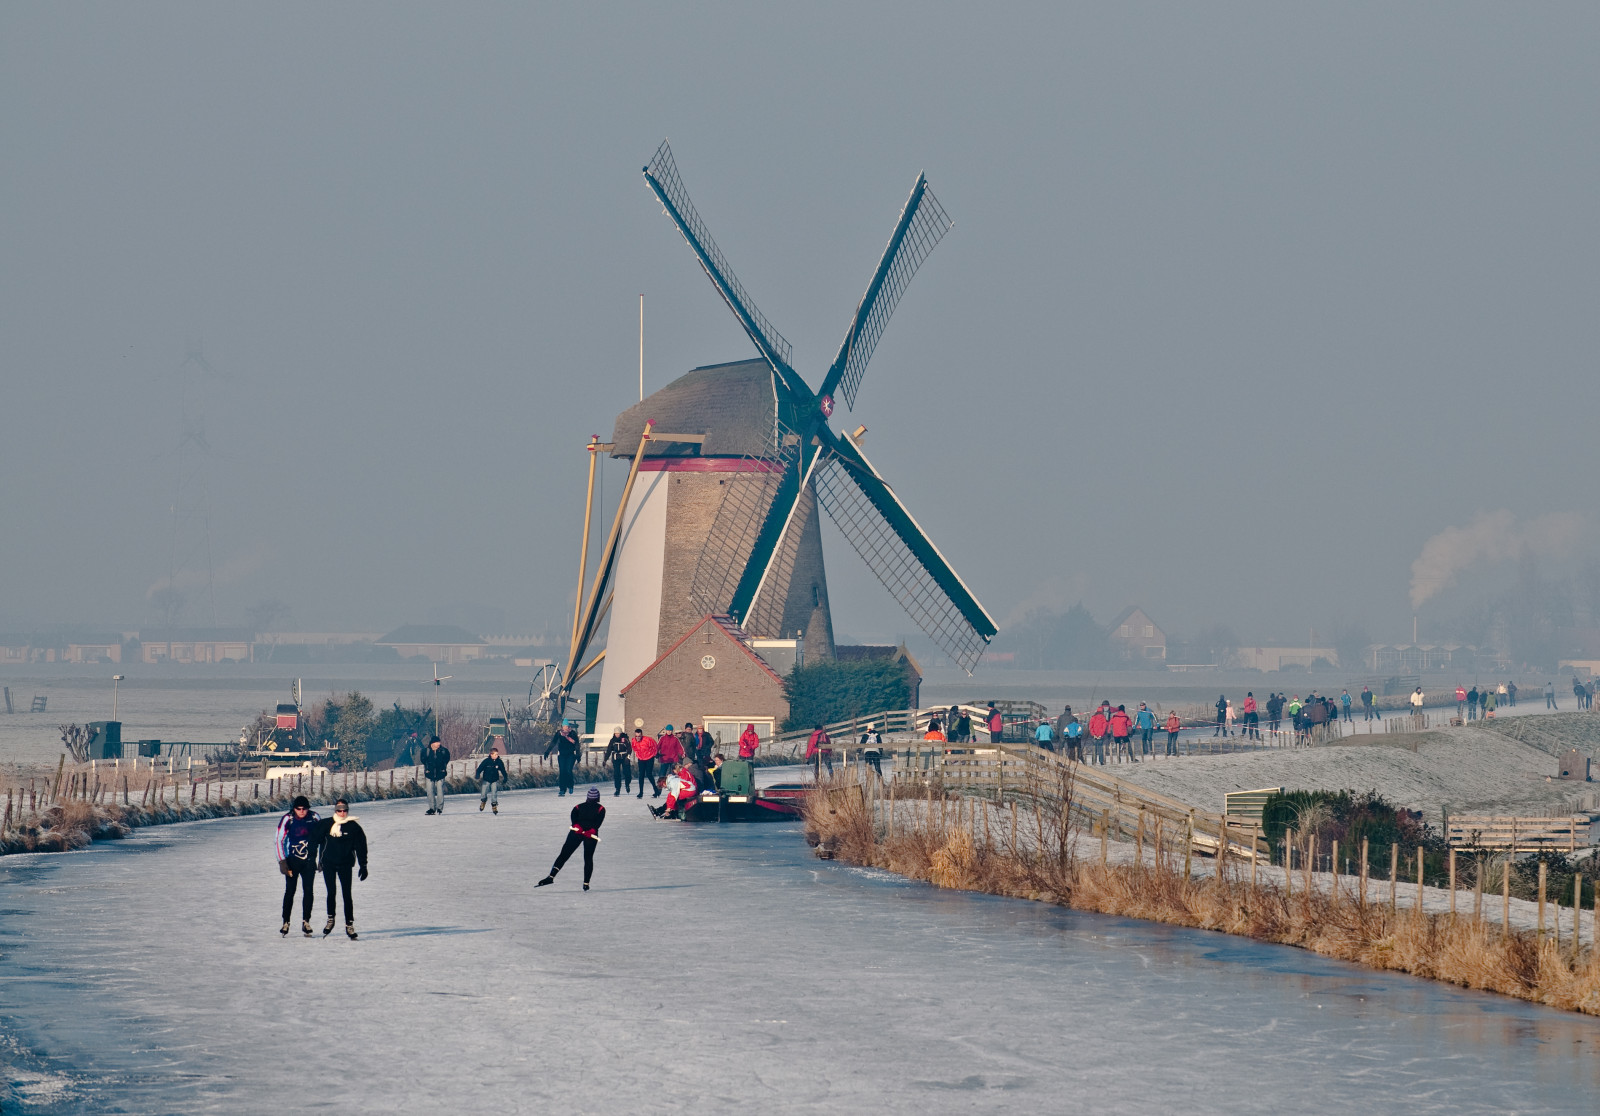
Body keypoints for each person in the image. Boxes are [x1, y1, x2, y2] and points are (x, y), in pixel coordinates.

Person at [313, 798, 368, 940]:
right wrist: (312, 860)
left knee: (346, 894)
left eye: (345, 810)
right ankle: (330, 919)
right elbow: (313, 841)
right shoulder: (325, 824)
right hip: (328, 864)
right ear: (335, 810)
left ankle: (349, 924)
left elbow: (361, 847)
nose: (342, 813)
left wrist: (364, 865)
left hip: (345, 864)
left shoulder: (354, 827)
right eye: (339, 810)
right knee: (331, 892)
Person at [538, 787, 605, 890]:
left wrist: (577, 826)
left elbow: (574, 818)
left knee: (564, 855)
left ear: (587, 797)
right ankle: (586, 883)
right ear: (597, 798)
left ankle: (551, 876)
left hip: (576, 833)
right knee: (588, 858)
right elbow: (597, 824)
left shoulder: (578, 807)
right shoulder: (601, 809)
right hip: (590, 836)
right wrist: (591, 830)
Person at [275, 795, 321, 936]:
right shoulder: (288, 819)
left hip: (309, 861)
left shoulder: (314, 818)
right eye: (298, 808)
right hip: (292, 861)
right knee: (290, 891)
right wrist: (282, 861)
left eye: (304, 808)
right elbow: (279, 840)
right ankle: (286, 922)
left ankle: (306, 922)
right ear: (294, 808)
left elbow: (324, 838)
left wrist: (322, 858)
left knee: (308, 891)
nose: (301, 811)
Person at [544, 721, 582, 796]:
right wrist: (547, 752)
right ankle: (562, 789)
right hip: (562, 755)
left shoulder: (572, 733)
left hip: (571, 755)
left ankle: (570, 785)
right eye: (565, 726)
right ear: (563, 727)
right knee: (562, 771)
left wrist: (578, 755)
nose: (567, 728)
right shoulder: (559, 733)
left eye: (568, 726)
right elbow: (553, 742)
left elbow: (577, 744)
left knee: (568, 770)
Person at [421, 735, 450, 815]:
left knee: (440, 790)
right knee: (430, 792)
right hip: (429, 774)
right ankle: (432, 808)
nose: (439, 744)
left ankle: (439, 808)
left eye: (439, 742)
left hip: (440, 774)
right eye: (437, 742)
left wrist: (443, 768)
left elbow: (446, 759)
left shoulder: (444, 751)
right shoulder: (425, 751)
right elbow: (423, 760)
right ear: (432, 743)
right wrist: (428, 769)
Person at [476, 746, 508, 814]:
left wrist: (505, 777)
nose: (497, 755)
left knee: (494, 793)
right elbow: (479, 769)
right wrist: (477, 774)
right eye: (495, 754)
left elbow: (503, 770)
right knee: (483, 793)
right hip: (486, 780)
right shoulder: (486, 761)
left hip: (494, 780)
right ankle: (483, 801)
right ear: (491, 754)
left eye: (497, 754)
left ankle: (494, 806)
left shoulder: (499, 762)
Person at [631, 726, 659, 799]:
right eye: (636, 736)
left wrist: (654, 754)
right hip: (641, 759)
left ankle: (656, 790)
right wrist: (638, 754)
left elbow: (655, 746)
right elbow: (634, 748)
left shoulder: (648, 740)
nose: (638, 738)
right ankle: (641, 792)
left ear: (641, 735)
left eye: (639, 736)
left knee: (649, 774)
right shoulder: (633, 741)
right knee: (641, 775)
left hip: (649, 758)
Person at [603, 728, 632, 797]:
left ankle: (627, 784)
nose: (617, 735)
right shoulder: (612, 740)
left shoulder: (625, 739)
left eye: (618, 733)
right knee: (616, 774)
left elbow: (629, 749)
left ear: (621, 733)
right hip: (616, 758)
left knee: (627, 772)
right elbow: (609, 750)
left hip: (624, 758)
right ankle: (617, 789)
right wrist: (605, 760)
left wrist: (628, 757)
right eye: (616, 733)